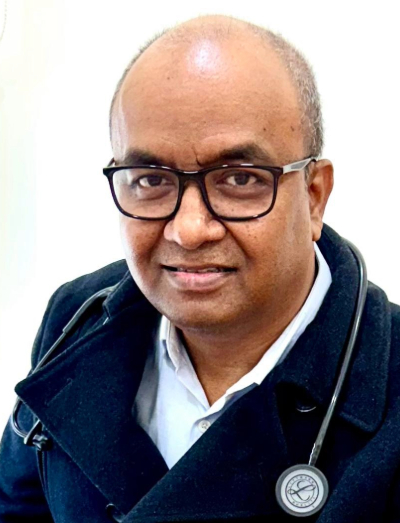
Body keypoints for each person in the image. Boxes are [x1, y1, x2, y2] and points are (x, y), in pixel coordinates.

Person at [1, 14, 400, 523]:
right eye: (150, 180)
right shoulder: (75, 321)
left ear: (314, 196)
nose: (189, 230)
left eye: (239, 179)